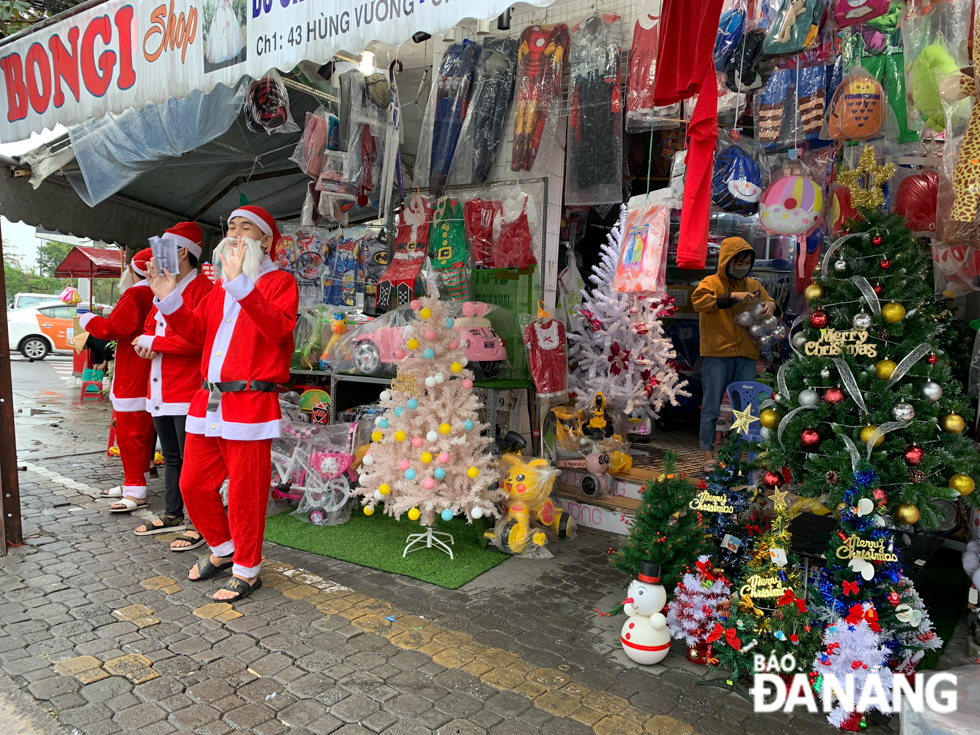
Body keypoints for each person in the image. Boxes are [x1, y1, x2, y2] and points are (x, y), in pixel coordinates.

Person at [147, 205, 297, 602]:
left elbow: (280, 330)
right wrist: (169, 301)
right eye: (230, 226)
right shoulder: (219, 289)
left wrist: (241, 288)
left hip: (251, 403)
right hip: (207, 400)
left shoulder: (279, 282)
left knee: (246, 493)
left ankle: (248, 570)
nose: (234, 233)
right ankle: (224, 548)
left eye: (245, 227)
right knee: (192, 484)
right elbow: (196, 334)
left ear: (265, 240)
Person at [131, 223, 214, 551]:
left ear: (182, 252)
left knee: (194, 463)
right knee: (171, 456)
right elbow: (151, 326)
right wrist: (145, 341)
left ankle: (198, 522)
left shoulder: (204, 290)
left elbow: (197, 341)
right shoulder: (163, 287)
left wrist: (155, 341)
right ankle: (172, 513)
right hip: (161, 386)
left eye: (163, 248)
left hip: (187, 388)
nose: (155, 256)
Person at [81, 248, 157, 510]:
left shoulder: (137, 293)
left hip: (132, 372)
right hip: (153, 371)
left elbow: (115, 328)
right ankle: (137, 482)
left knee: (129, 433)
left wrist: (88, 320)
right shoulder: (161, 292)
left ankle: (136, 488)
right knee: (144, 431)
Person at [692, 237, 775, 472]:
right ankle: (707, 453)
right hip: (717, 352)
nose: (743, 266)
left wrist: (772, 305)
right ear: (727, 261)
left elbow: (769, 304)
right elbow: (698, 302)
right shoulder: (711, 282)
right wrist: (730, 298)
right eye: (738, 261)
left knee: (744, 409)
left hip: (747, 353)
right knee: (711, 404)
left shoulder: (754, 285)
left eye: (747, 262)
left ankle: (734, 455)